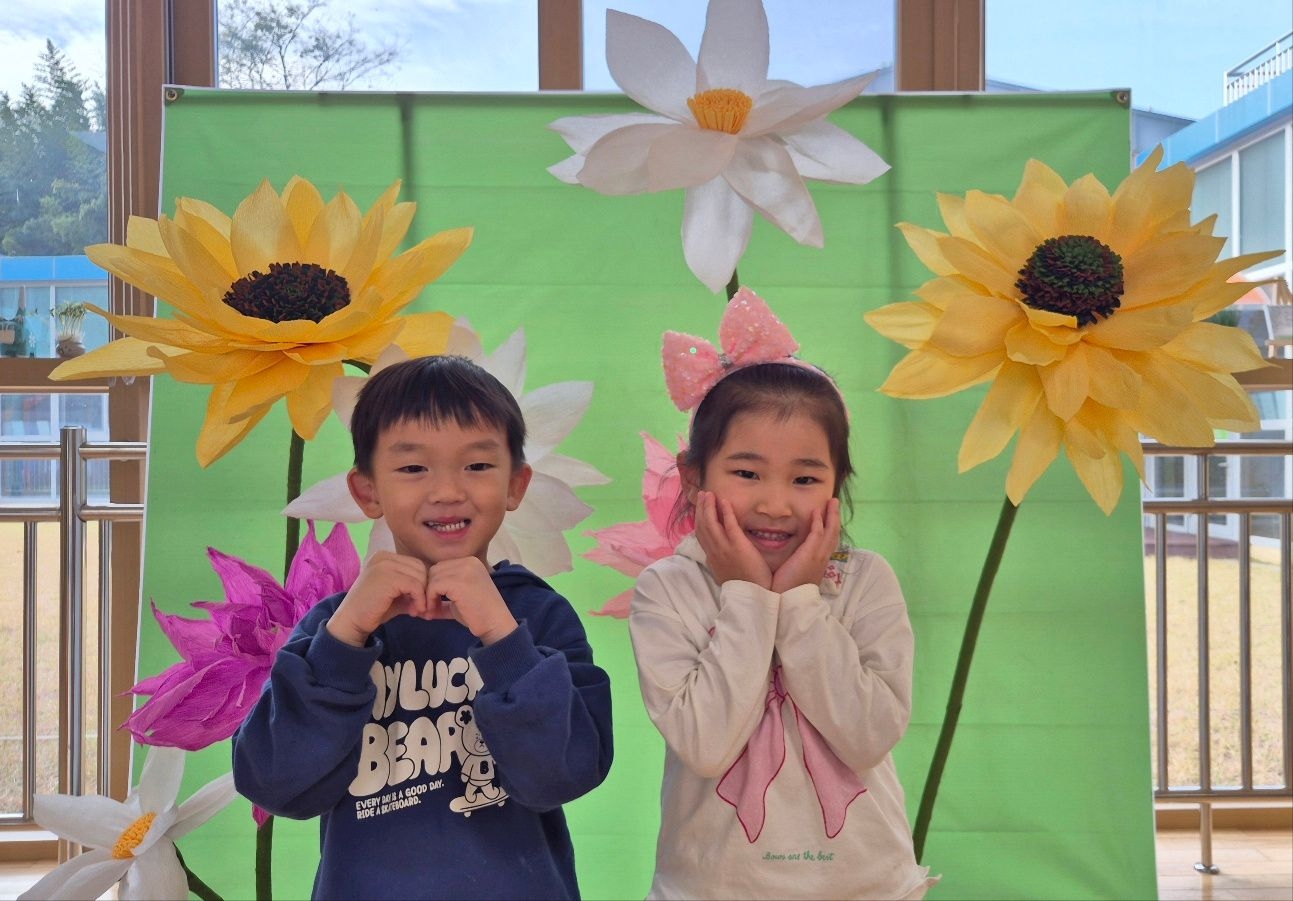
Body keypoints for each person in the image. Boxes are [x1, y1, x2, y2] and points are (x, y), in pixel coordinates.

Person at [232, 355, 614, 901]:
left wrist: (503, 639)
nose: (448, 491)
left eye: (477, 465)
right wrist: (343, 639)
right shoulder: (334, 627)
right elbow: (276, 786)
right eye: (413, 468)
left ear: (516, 484)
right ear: (368, 491)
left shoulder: (540, 617)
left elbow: (563, 776)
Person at [629, 288, 936, 900]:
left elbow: (869, 736)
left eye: (805, 478)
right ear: (694, 476)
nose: (775, 503)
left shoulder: (866, 582)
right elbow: (706, 746)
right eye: (746, 473)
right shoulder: (667, 589)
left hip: (866, 888)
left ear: (836, 486)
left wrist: (799, 602)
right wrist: (747, 592)